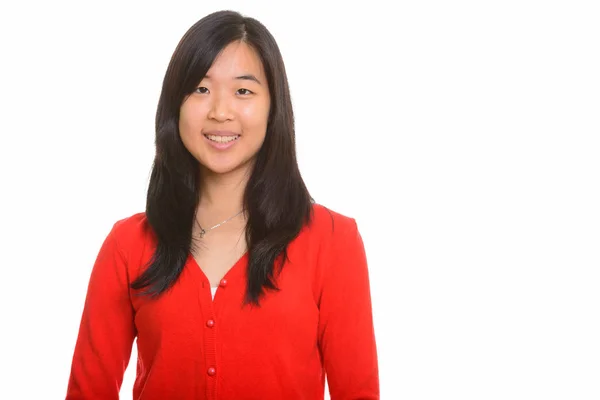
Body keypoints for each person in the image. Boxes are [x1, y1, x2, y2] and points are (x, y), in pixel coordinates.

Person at [65, 9, 379, 400]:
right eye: (200, 89)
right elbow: (87, 392)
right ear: (174, 106)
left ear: (272, 107)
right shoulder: (128, 243)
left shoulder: (334, 240)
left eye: (243, 91)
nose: (220, 111)